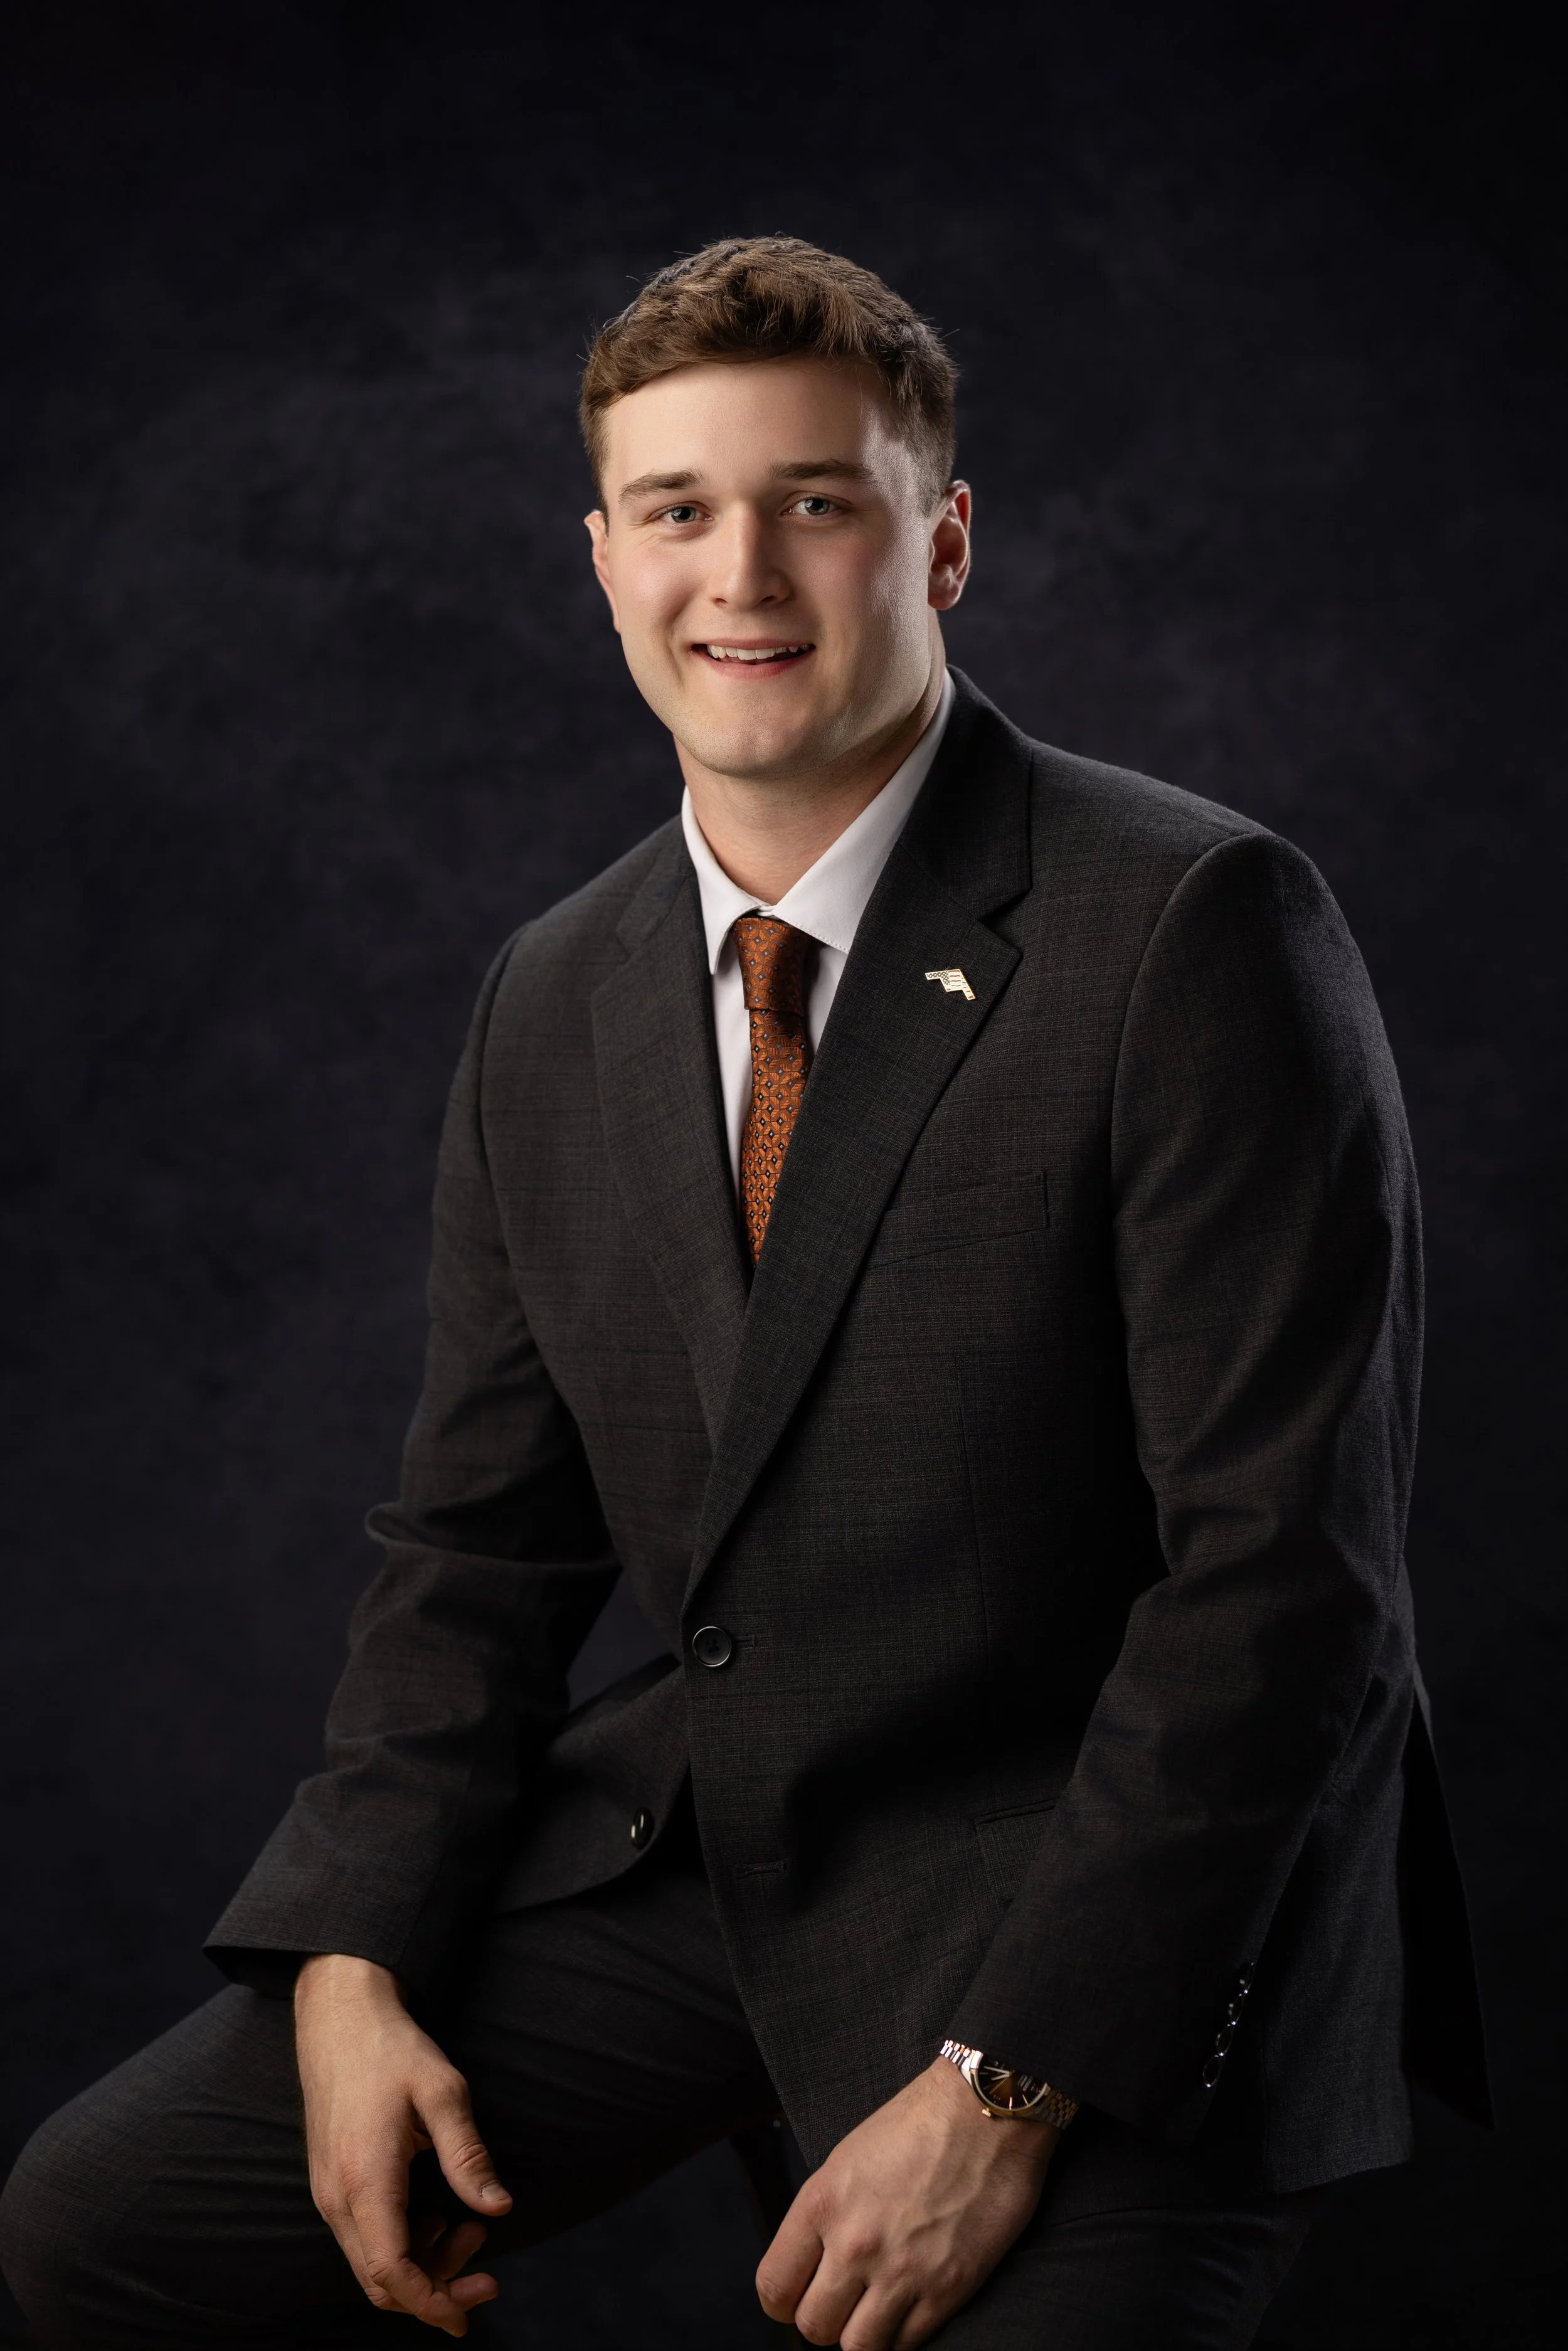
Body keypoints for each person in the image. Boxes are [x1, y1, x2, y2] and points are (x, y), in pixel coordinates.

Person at [0, 236, 1488, 2351]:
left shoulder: (1191, 924)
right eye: (681, 511)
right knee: (99, 2228)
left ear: (942, 539)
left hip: (1114, 1900)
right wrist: (347, 1955)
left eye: (818, 500)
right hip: (714, 1851)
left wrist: (999, 2084)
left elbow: (1285, 1586)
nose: (744, 577)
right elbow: (476, 1553)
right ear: (598, 559)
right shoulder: (554, 990)